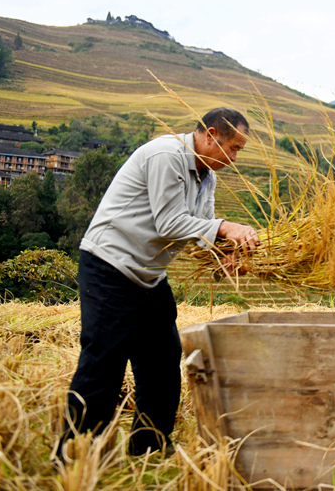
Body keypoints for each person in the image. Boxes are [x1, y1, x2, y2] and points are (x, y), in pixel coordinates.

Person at [59, 107, 260, 458]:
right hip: (110, 266)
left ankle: (149, 448)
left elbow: (199, 234)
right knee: (104, 361)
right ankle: (75, 453)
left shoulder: (206, 176)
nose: (234, 158)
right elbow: (170, 223)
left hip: (149, 277)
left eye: (239, 150)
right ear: (211, 135)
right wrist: (226, 227)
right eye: (234, 147)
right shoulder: (166, 155)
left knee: (163, 364)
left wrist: (225, 258)